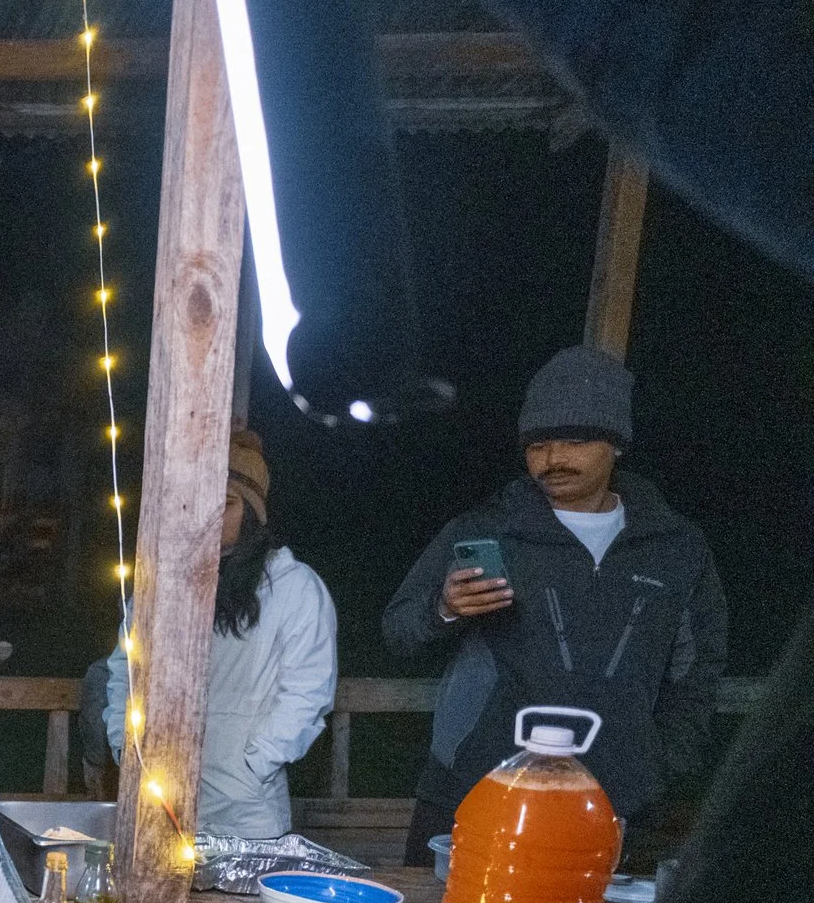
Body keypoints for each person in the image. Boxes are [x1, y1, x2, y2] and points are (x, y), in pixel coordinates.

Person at [382, 347, 727, 866]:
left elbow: (696, 673)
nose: (553, 458)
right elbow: (398, 629)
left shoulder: (675, 546)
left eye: (576, 440)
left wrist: (658, 765)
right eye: (538, 444)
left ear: (616, 444)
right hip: (476, 788)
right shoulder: (485, 529)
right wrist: (445, 608)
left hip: (618, 800)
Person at [98, 430, 338, 838]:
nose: (210, 513)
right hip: (158, 801)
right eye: (200, 499)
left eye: (226, 503)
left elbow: (308, 692)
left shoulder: (294, 587)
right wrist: (125, 747)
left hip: (247, 813)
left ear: (252, 512)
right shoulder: (164, 582)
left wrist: (255, 764)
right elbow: (125, 668)